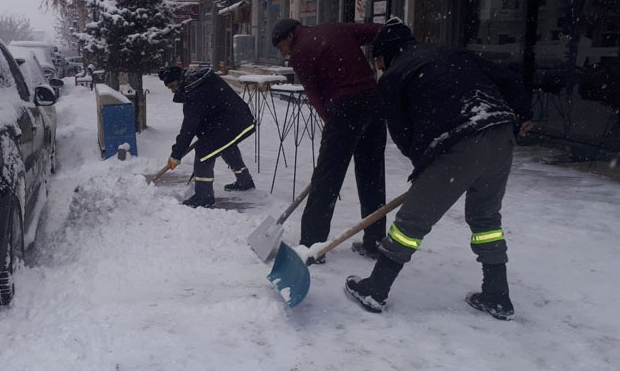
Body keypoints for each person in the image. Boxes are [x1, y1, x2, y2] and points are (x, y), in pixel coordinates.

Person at [344, 18, 533, 321]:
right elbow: (506, 77)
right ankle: (497, 294)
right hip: (501, 132)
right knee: (486, 218)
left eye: (377, 59)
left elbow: (403, 134)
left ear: (387, 53)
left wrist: (426, 170)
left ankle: (375, 289)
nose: (378, 66)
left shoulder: (393, 76)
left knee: (411, 223)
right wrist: (524, 112)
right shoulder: (452, 52)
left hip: (458, 138)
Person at [271, 18, 387, 262]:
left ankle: (312, 245)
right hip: (374, 103)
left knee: (326, 179)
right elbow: (380, 31)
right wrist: (384, 61)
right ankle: (374, 241)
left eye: (280, 46)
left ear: (290, 36)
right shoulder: (335, 28)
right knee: (371, 176)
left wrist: (334, 126)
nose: (282, 52)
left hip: (344, 109)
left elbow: (315, 97)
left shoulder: (300, 54)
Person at [159, 66, 256, 208]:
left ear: (180, 80)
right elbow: (205, 113)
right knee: (225, 146)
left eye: (173, 86)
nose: (173, 91)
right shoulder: (199, 81)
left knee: (204, 152)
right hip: (238, 119)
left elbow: (188, 128)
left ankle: (203, 197)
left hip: (233, 121)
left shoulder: (194, 91)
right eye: (170, 88)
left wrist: (176, 154)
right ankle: (244, 181)